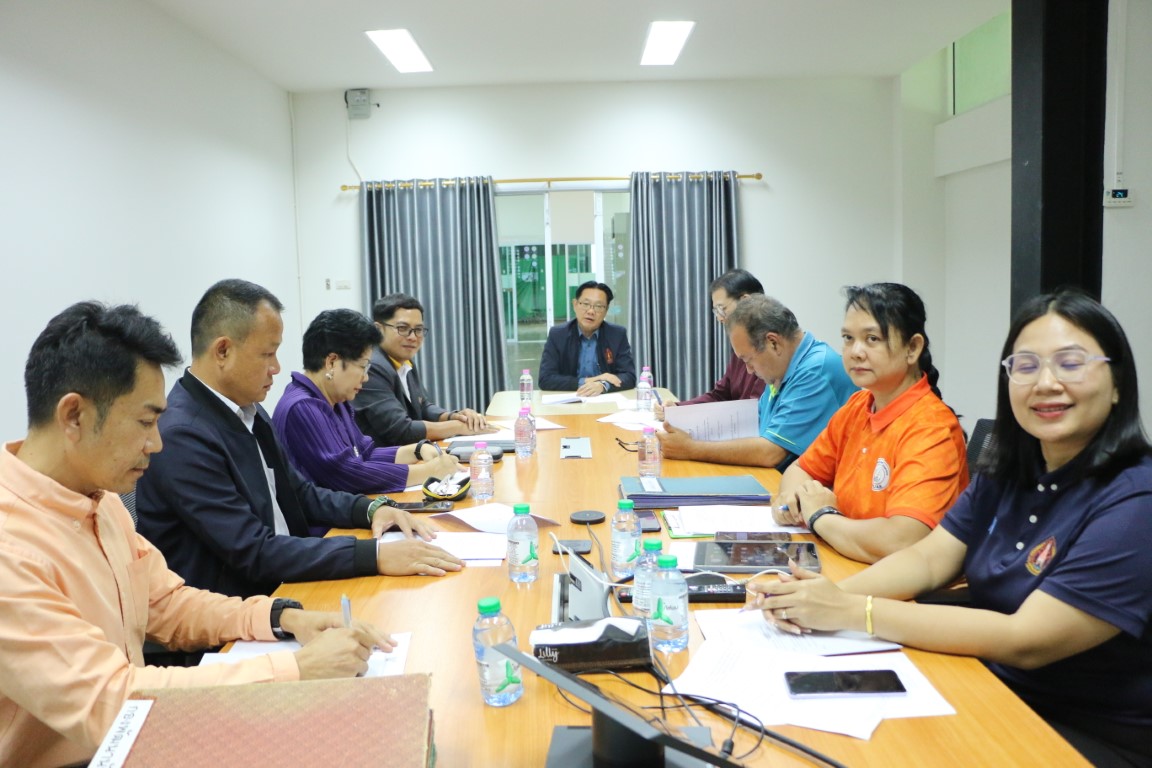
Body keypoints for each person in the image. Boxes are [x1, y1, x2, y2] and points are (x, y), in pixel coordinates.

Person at [754, 290, 1152, 767]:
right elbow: (928, 558)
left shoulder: (1135, 502)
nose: (1046, 383)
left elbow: (1025, 639)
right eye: (1026, 366)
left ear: (1117, 384)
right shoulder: (1008, 471)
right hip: (987, 683)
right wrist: (816, 598)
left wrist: (853, 610)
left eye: (1071, 364)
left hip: (1083, 731)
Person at [0, 302, 392, 768]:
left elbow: (168, 604)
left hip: (137, 740)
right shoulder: (12, 548)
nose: (156, 443)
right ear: (74, 415)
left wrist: (283, 617)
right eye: (145, 422)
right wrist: (295, 669)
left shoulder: (99, 501)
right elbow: (110, 701)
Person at [136, 280, 463, 599]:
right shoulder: (183, 435)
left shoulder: (248, 411)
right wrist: (373, 555)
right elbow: (253, 550)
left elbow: (300, 493)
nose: (277, 368)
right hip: (243, 607)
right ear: (223, 350)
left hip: (284, 579)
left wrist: (370, 509)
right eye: (268, 354)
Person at [772, 283, 968, 563]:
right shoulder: (859, 405)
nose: (855, 352)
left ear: (912, 348)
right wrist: (792, 500)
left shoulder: (931, 428)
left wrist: (820, 516)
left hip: (895, 583)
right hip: (845, 559)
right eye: (848, 338)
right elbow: (801, 469)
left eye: (872, 339)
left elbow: (901, 541)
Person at [273, 309, 461, 494]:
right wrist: (427, 471)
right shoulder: (302, 407)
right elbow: (346, 474)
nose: (366, 377)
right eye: (363, 367)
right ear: (332, 362)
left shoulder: (337, 401)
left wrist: (417, 450)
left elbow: (365, 453)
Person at [658, 294, 855, 470]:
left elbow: (771, 452)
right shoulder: (784, 369)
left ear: (773, 343)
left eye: (748, 360)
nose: (749, 370)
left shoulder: (815, 370)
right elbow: (755, 428)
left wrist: (691, 448)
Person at [353, 293, 494, 446]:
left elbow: (422, 406)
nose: (413, 337)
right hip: (384, 457)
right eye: (402, 328)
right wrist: (459, 427)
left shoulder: (404, 362)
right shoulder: (373, 367)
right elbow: (401, 431)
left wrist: (454, 416)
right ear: (378, 329)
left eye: (418, 330)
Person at [654, 268, 766, 420]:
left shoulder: (766, 347)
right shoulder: (741, 343)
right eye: (716, 311)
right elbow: (720, 395)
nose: (720, 318)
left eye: (722, 309)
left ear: (745, 301)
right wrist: (678, 409)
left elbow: (754, 412)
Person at [538, 280, 636, 396]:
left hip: (604, 399)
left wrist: (603, 385)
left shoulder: (617, 334)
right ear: (575, 304)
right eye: (585, 304)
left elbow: (629, 376)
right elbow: (546, 379)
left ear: (606, 311)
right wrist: (590, 381)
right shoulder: (558, 335)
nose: (591, 311)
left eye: (598, 306)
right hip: (571, 398)